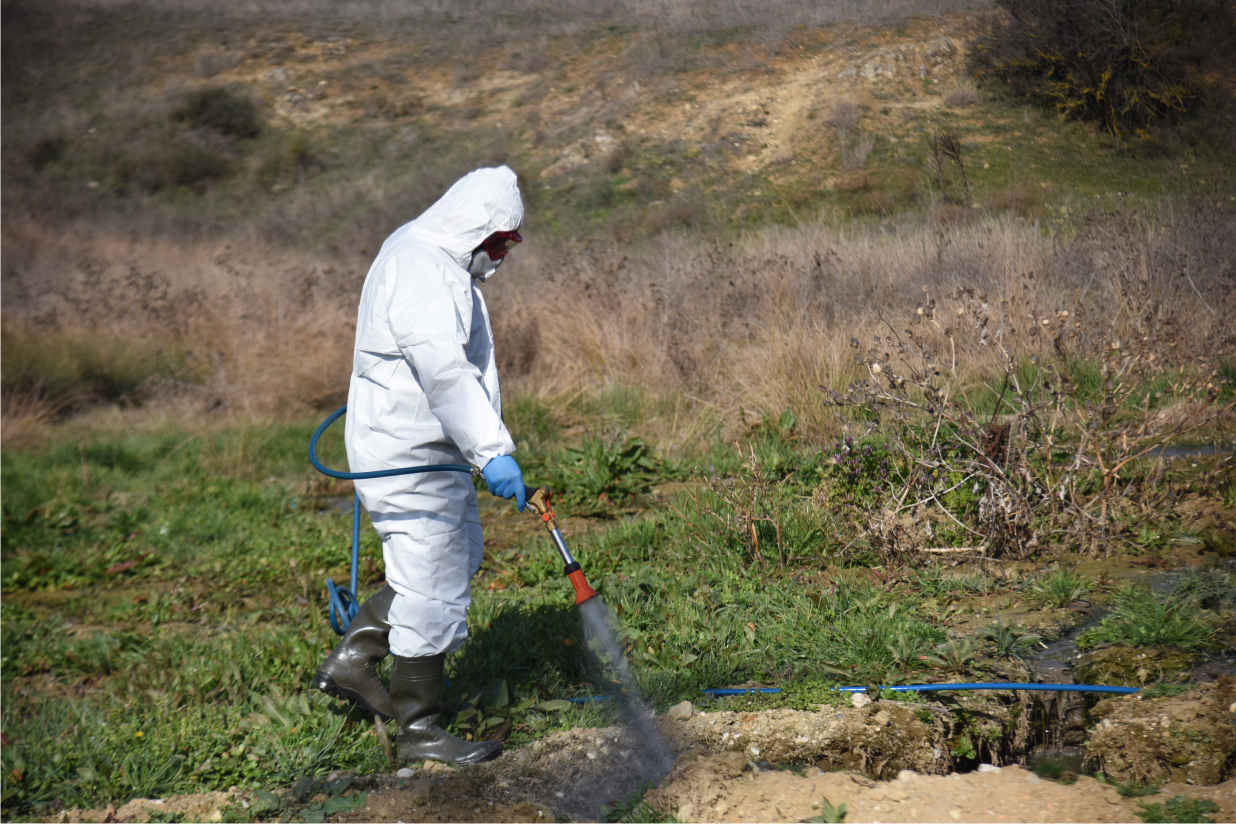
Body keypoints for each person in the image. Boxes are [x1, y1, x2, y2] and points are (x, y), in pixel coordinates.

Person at [312, 166, 528, 766]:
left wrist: (481, 448)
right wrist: (494, 452)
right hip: (404, 452)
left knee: (453, 558)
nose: (504, 253)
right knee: (432, 579)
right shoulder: (422, 269)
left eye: (511, 242)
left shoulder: (440, 261)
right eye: (501, 240)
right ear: (475, 227)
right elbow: (444, 372)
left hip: (432, 447)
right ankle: (420, 728)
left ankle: (355, 662)